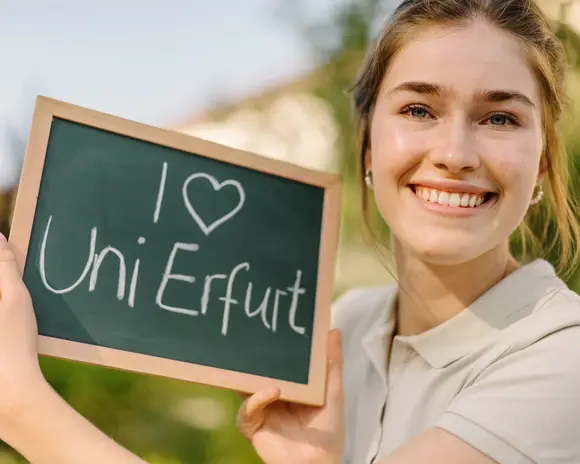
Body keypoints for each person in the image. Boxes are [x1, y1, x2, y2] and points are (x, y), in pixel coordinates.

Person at [1, 0, 580, 463]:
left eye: (500, 117)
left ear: (544, 163)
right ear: (370, 146)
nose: (454, 153)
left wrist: (21, 406)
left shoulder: (563, 360)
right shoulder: (342, 328)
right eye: (418, 110)